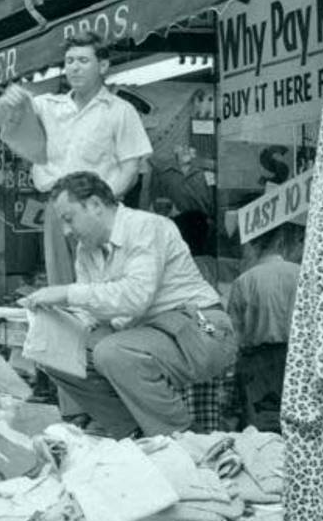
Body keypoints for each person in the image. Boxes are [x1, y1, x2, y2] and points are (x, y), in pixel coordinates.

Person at [22, 172, 237, 438]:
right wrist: (51, 319)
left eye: (69, 219)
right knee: (55, 350)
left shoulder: (146, 227)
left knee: (111, 352)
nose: (66, 231)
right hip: (144, 336)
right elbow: (90, 314)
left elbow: (136, 297)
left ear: (95, 205)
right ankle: (135, 433)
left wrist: (66, 293)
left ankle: (183, 438)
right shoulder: (86, 250)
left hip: (199, 330)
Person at [0, 34, 152, 285]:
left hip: (98, 210)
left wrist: (103, 206)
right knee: (63, 283)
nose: (74, 67)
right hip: (57, 208)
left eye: (83, 60)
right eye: (69, 61)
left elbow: (131, 168)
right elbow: (3, 119)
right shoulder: (48, 105)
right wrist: (4, 102)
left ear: (103, 66)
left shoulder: (120, 110)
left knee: (101, 282)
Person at [226, 224, 301, 431]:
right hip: (295, 358)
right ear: (282, 242)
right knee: (293, 419)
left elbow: (234, 334)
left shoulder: (244, 281)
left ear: (253, 245)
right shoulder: (301, 274)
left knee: (258, 424)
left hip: (255, 363)